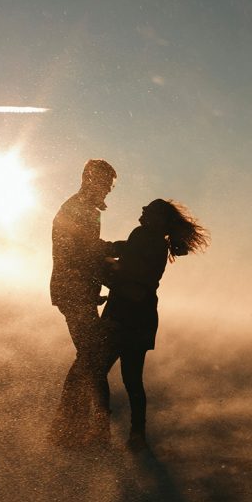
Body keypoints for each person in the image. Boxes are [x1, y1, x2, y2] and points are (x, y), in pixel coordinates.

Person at [102, 199, 209, 451]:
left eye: (147, 209)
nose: (142, 210)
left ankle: (98, 428)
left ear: (156, 218)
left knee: (95, 371)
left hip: (123, 314)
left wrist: (97, 267)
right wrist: (107, 249)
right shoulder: (158, 242)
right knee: (132, 379)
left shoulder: (143, 236)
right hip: (144, 316)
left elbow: (127, 267)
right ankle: (137, 435)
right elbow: (128, 253)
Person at [49, 158, 120, 447]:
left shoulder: (84, 208)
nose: (107, 192)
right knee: (92, 357)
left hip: (78, 291)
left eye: (109, 187)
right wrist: (125, 251)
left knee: (90, 357)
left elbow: (85, 254)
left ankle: (75, 424)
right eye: (105, 185)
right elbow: (83, 252)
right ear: (91, 180)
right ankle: (72, 427)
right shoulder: (78, 209)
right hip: (72, 291)